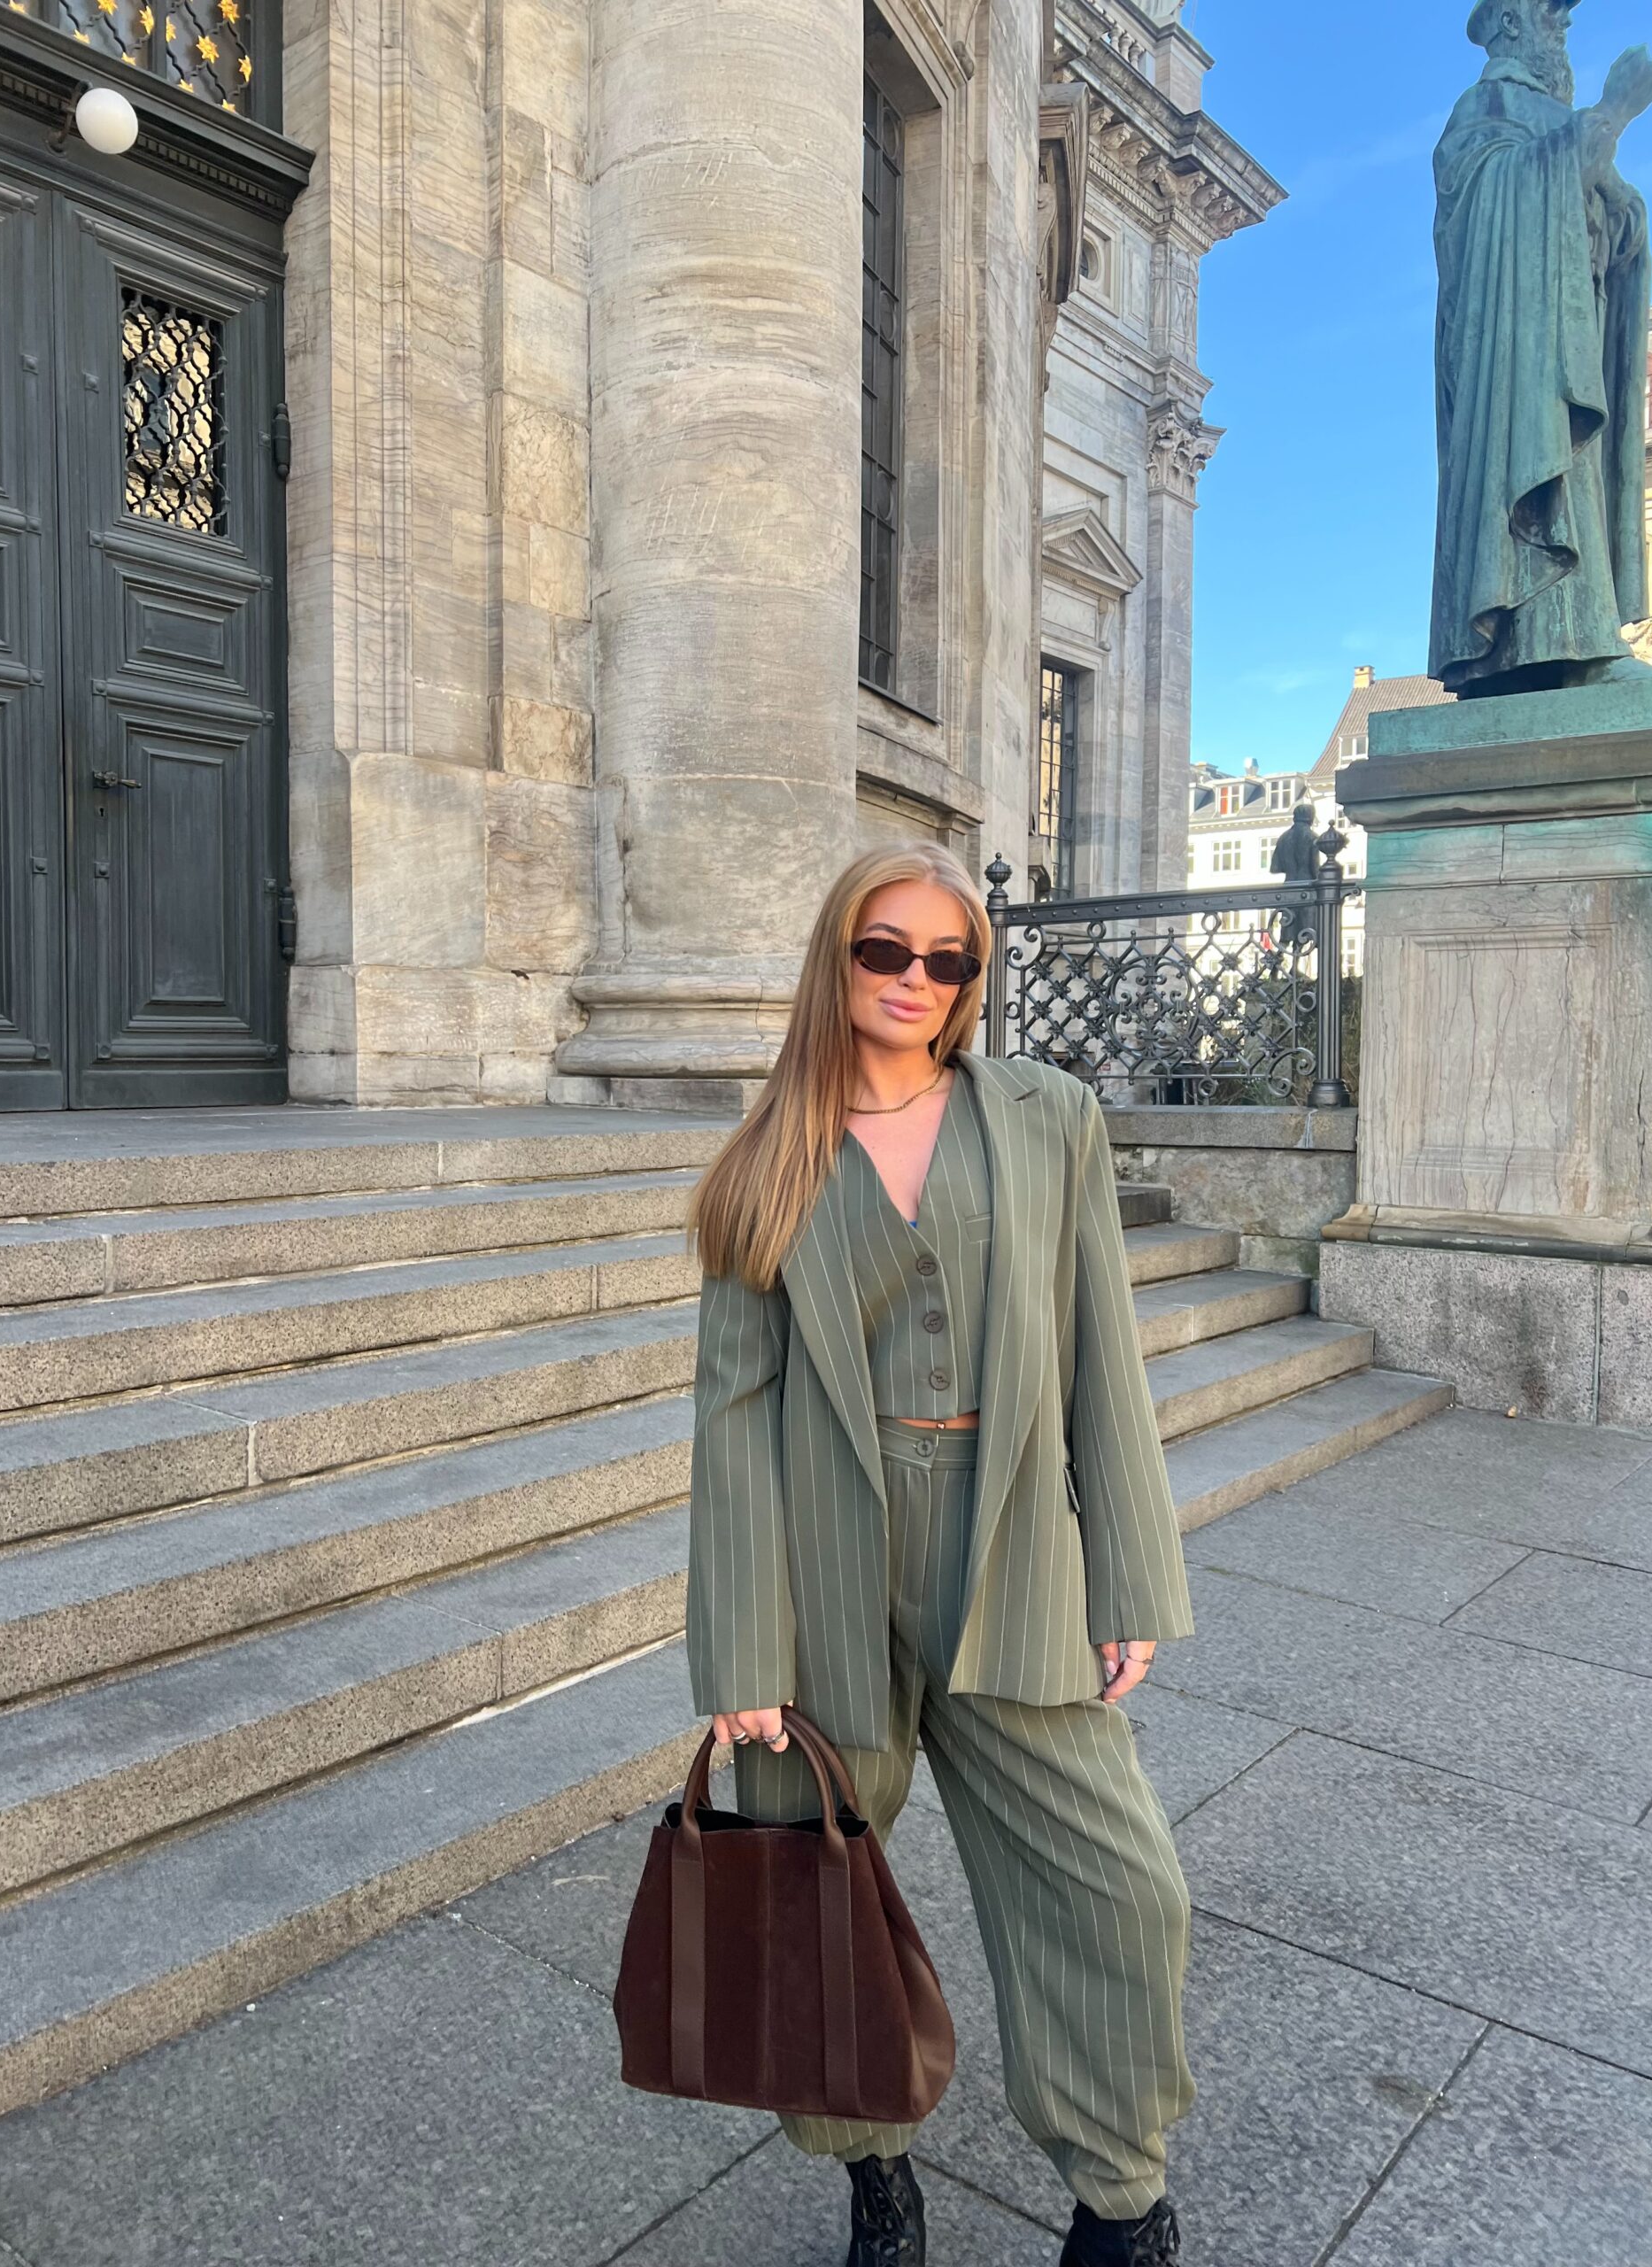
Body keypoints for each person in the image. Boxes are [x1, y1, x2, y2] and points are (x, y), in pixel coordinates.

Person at [683, 845, 1195, 2267]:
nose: (915, 978)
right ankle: (874, 2176)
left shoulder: (1046, 1117)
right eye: (885, 950)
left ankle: (1121, 2201)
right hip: (822, 1571)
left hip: (1011, 1537)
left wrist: (1129, 1572)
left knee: (1119, 1887)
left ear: (974, 978)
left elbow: (1101, 1351)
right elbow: (734, 1413)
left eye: (948, 959)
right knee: (814, 1902)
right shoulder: (768, 1155)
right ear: (837, 959)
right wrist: (740, 1646)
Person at [1430, 0, 1652, 696]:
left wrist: (1620, 214)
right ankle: (1543, 647)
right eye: (1551, 15)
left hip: (1570, 334)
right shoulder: (1484, 107)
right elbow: (1498, 203)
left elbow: (1614, 225)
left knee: (1575, 471)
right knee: (1541, 464)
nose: (1563, 30)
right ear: (1510, 23)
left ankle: (1577, 642)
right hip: (1516, 355)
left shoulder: (1553, 119)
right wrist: (1611, 114)